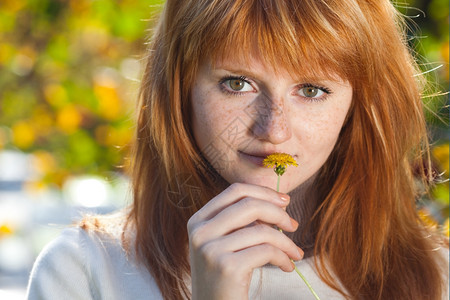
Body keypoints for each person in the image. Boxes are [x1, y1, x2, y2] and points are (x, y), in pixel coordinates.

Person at [27, 0, 449, 299]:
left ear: (360, 104)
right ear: (179, 91)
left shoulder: (438, 277)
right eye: (237, 83)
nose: (273, 130)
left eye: (312, 89)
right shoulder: (84, 272)